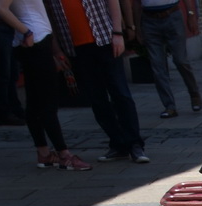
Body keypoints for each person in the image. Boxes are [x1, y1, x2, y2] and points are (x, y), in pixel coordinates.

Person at [0, 0, 91, 168]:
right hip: (34, 42)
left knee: (35, 102)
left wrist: (55, 50)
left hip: (38, 40)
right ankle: (64, 155)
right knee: (47, 102)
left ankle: (44, 153)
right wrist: (26, 32)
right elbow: (0, 9)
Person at [49, 0, 149, 162]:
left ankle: (135, 144)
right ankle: (118, 144)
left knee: (120, 93)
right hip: (75, 47)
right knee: (97, 99)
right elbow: (50, 17)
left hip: (105, 39)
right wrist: (57, 49)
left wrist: (118, 32)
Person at [137, 0, 202, 117]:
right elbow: (135, 3)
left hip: (172, 15)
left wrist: (191, 14)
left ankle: (194, 93)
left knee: (180, 60)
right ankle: (169, 106)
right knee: (157, 67)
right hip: (149, 20)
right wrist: (137, 27)